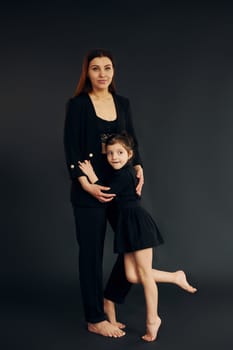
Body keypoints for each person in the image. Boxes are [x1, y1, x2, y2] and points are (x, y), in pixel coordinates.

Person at [78, 132, 197, 342]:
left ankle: (153, 320)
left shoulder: (125, 174)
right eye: (110, 153)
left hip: (137, 224)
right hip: (127, 226)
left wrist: (90, 175)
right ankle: (175, 276)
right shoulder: (119, 173)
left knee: (144, 274)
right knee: (132, 276)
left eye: (120, 152)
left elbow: (106, 192)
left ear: (130, 154)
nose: (115, 157)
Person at [63, 48, 144, 338]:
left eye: (107, 67)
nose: (102, 74)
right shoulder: (78, 105)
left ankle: (111, 298)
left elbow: (131, 139)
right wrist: (85, 183)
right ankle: (95, 318)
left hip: (121, 187)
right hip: (89, 190)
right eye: (95, 68)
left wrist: (138, 166)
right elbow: (71, 147)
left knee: (135, 245)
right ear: (87, 72)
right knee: (91, 255)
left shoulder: (122, 103)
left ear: (113, 71)